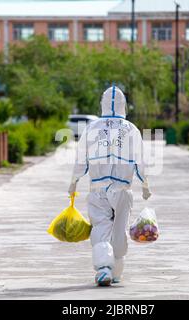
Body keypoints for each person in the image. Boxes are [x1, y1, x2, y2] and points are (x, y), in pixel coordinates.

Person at [68, 85, 151, 286]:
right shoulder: (131, 129)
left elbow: (81, 160)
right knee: (120, 229)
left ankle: (104, 268)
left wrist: (74, 182)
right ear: (124, 105)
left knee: (101, 227)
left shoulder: (92, 128)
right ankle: (116, 272)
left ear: (102, 104)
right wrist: (145, 184)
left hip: (98, 189)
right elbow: (140, 160)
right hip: (123, 190)